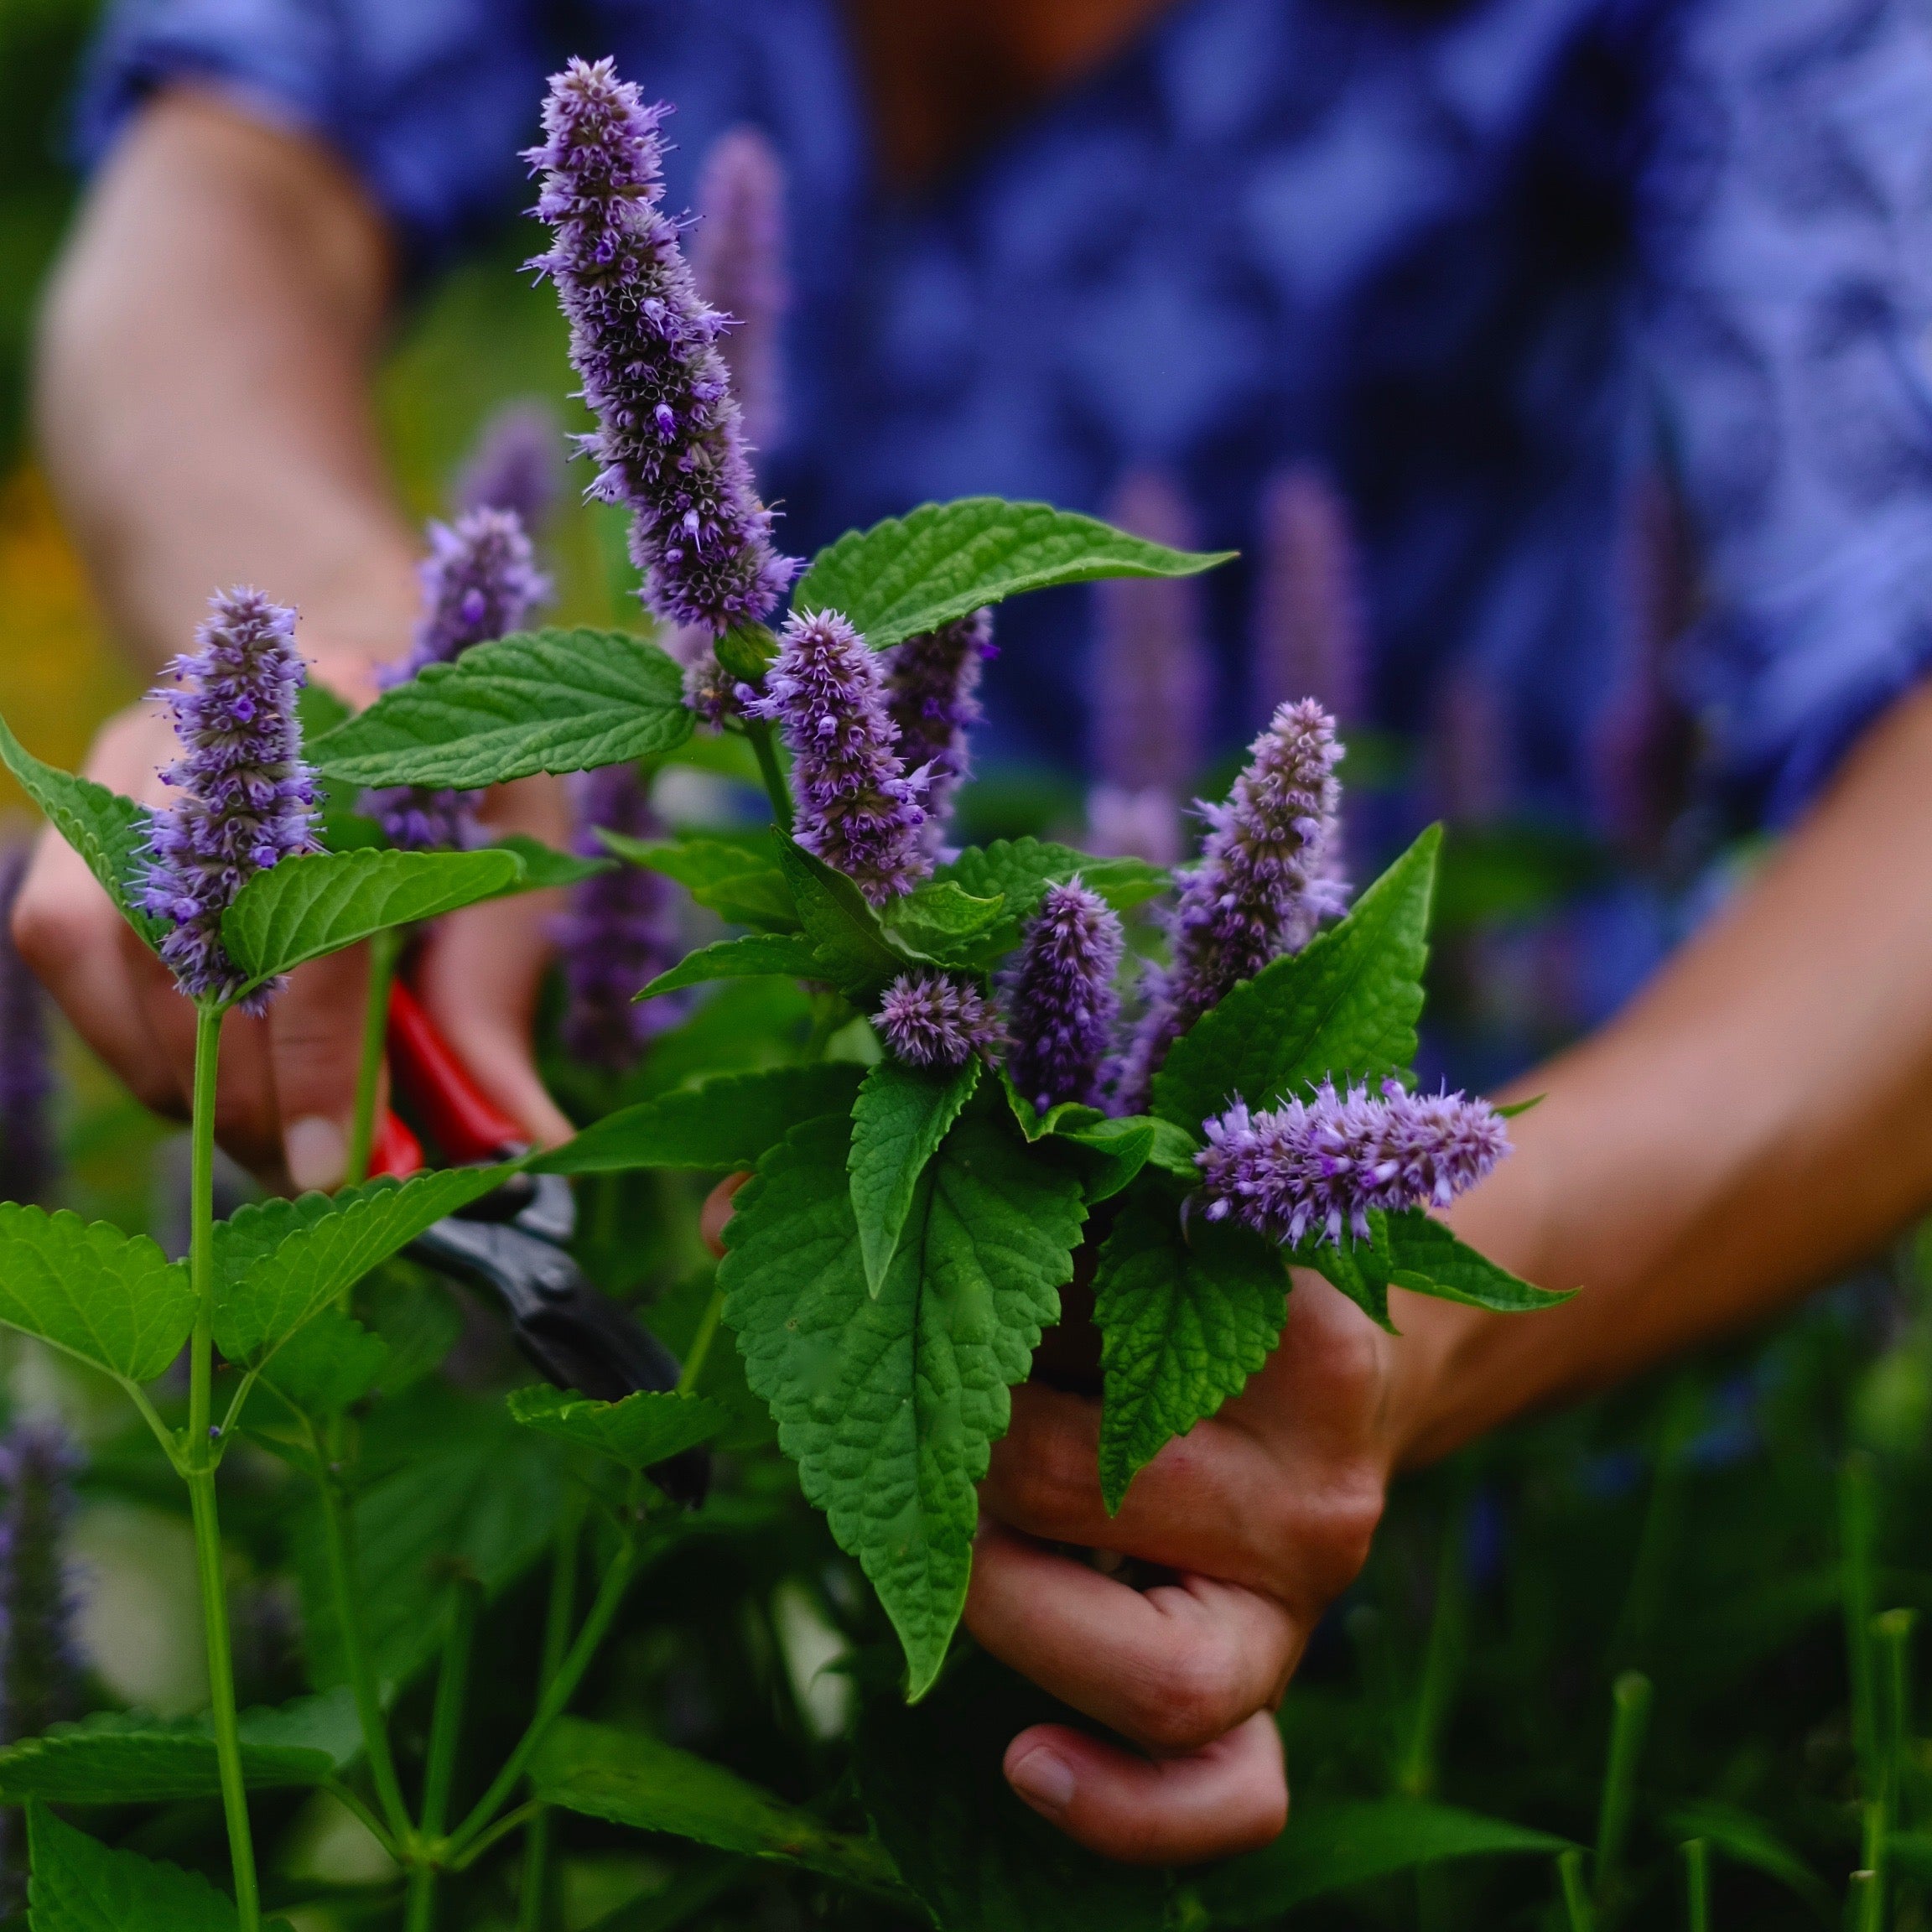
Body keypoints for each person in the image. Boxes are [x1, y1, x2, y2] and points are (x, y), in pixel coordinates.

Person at [20, 0, 1932, 1871]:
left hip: (1573, 1394)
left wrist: (1404, 1307)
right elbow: (223, 180)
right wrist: (364, 670)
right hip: (810, 1299)